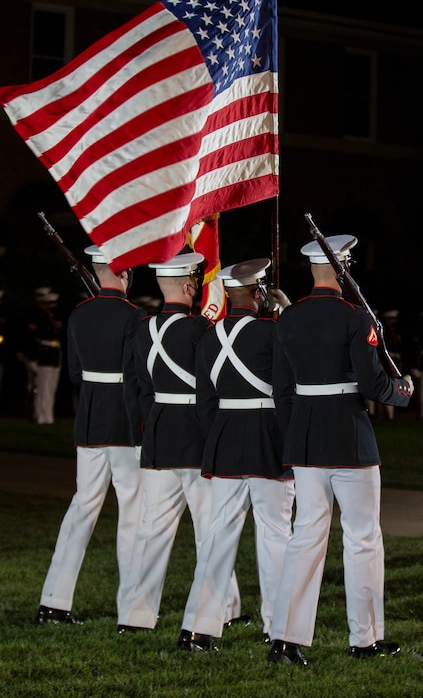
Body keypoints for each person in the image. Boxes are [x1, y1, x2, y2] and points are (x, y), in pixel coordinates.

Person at [266, 234, 414, 666]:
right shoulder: (355, 316)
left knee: (306, 536)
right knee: (363, 538)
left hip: (307, 439)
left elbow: (282, 389)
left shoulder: (288, 319)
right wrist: (402, 392)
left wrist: (296, 434)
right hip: (349, 436)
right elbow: (371, 385)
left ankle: (285, 639)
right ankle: (363, 639)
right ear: (343, 268)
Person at [117, 252, 244, 633]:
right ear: (190, 287)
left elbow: (135, 389)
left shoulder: (142, 329)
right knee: (211, 528)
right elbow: (211, 388)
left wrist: (143, 434)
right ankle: (220, 609)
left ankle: (135, 616)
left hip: (158, 434)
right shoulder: (199, 331)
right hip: (196, 435)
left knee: (152, 530)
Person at [177, 258, 295, 652]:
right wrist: (287, 313)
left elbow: (204, 401)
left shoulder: (209, 337)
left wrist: (221, 435)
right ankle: (279, 630)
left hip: (225, 439)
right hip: (267, 439)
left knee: (217, 537)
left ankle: (197, 628)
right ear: (259, 293)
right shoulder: (273, 333)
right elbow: (287, 389)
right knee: (275, 536)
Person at [35, 245, 146, 626]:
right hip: (124, 425)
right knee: (133, 512)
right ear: (124, 274)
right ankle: (131, 608)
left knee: (82, 509)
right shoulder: (135, 316)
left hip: (90, 420)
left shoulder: (78, 315)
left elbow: (75, 375)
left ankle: (54, 600)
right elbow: (137, 378)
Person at [28, 291, 64, 425]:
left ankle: (48, 415)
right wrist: (33, 358)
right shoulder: (40, 319)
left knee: (50, 388)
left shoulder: (52, 318)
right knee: (43, 388)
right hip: (44, 356)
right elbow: (35, 339)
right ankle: (41, 415)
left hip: (54, 355)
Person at [376, 310, 403, 421]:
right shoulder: (384, 331)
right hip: (386, 360)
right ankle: (384, 413)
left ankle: (391, 415)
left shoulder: (395, 332)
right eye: (391, 319)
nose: (393, 322)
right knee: (386, 386)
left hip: (395, 360)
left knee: (394, 386)